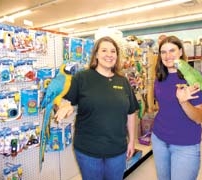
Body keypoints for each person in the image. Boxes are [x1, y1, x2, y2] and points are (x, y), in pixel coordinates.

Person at [55, 36, 139, 180]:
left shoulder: (123, 81)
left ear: (117, 56)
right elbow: (65, 102)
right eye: (104, 50)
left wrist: (131, 141)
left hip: (117, 150)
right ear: (96, 54)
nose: (109, 54)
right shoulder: (82, 78)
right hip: (88, 150)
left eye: (113, 51)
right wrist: (62, 107)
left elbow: (131, 113)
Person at [151, 35, 202, 180]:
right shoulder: (160, 77)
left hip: (185, 144)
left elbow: (199, 118)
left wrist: (184, 102)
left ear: (180, 52)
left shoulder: (192, 77)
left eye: (172, 50)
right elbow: (163, 107)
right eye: (163, 52)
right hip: (159, 139)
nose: (168, 56)